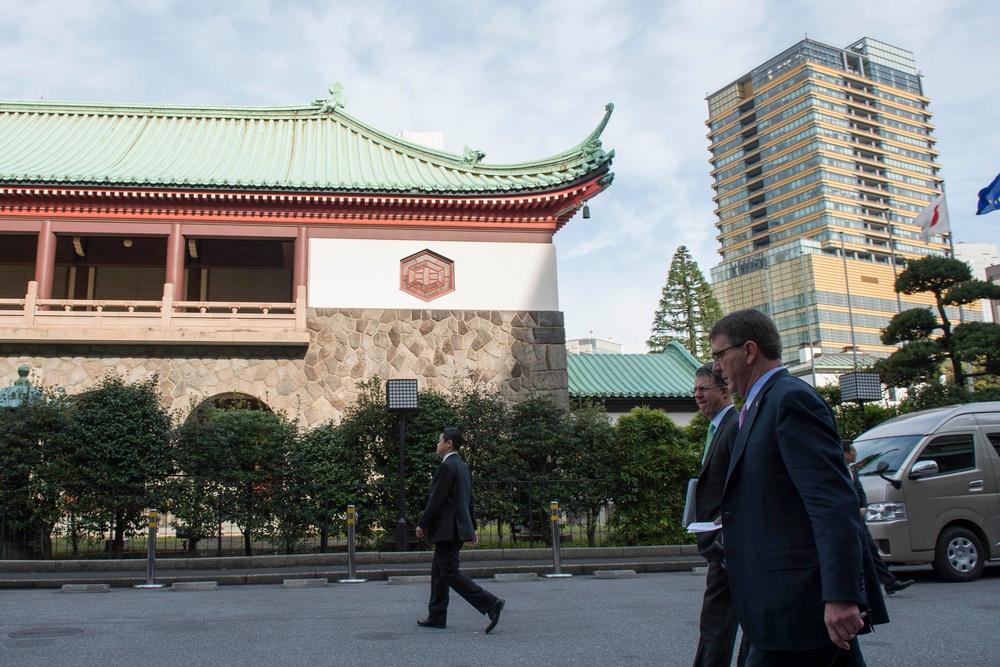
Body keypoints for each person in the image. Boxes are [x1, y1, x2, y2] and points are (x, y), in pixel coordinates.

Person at [710, 309, 886, 666]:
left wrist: (840, 596)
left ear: (749, 351)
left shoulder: (790, 399)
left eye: (718, 355)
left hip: (798, 602)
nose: (716, 367)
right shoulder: (762, 404)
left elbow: (832, 503)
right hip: (791, 602)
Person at [414, 427, 505, 633]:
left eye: (439, 441)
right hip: (457, 528)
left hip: (447, 529)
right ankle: (436, 615)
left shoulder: (447, 467)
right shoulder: (463, 466)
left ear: (449, 444)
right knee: (439, 571)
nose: (437, 444)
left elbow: (435, 500)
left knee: (449, 573)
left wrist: (423, 524)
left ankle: (491, 603)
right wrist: (472, 528)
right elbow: (469, 501)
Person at [690, 365, 746, 667]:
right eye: (695, 390)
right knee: (725, 623)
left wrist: (723, 532)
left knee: (716, 622)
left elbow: (742, 484)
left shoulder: (734, 425)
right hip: (723, 542)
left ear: (725, 392)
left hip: (729, 542)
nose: (698, 395)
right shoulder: (717, 428)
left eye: (704, 389)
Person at [843, 441, 915, 595]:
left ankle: (889, 582)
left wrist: (864, 506)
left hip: (858, 518)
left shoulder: (853, 470)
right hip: (847, 518)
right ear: (845, 453)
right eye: (853, 451)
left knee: (869, 549)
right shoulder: (837, 469)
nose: (856, 453)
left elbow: (860, 491)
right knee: (859, 550)